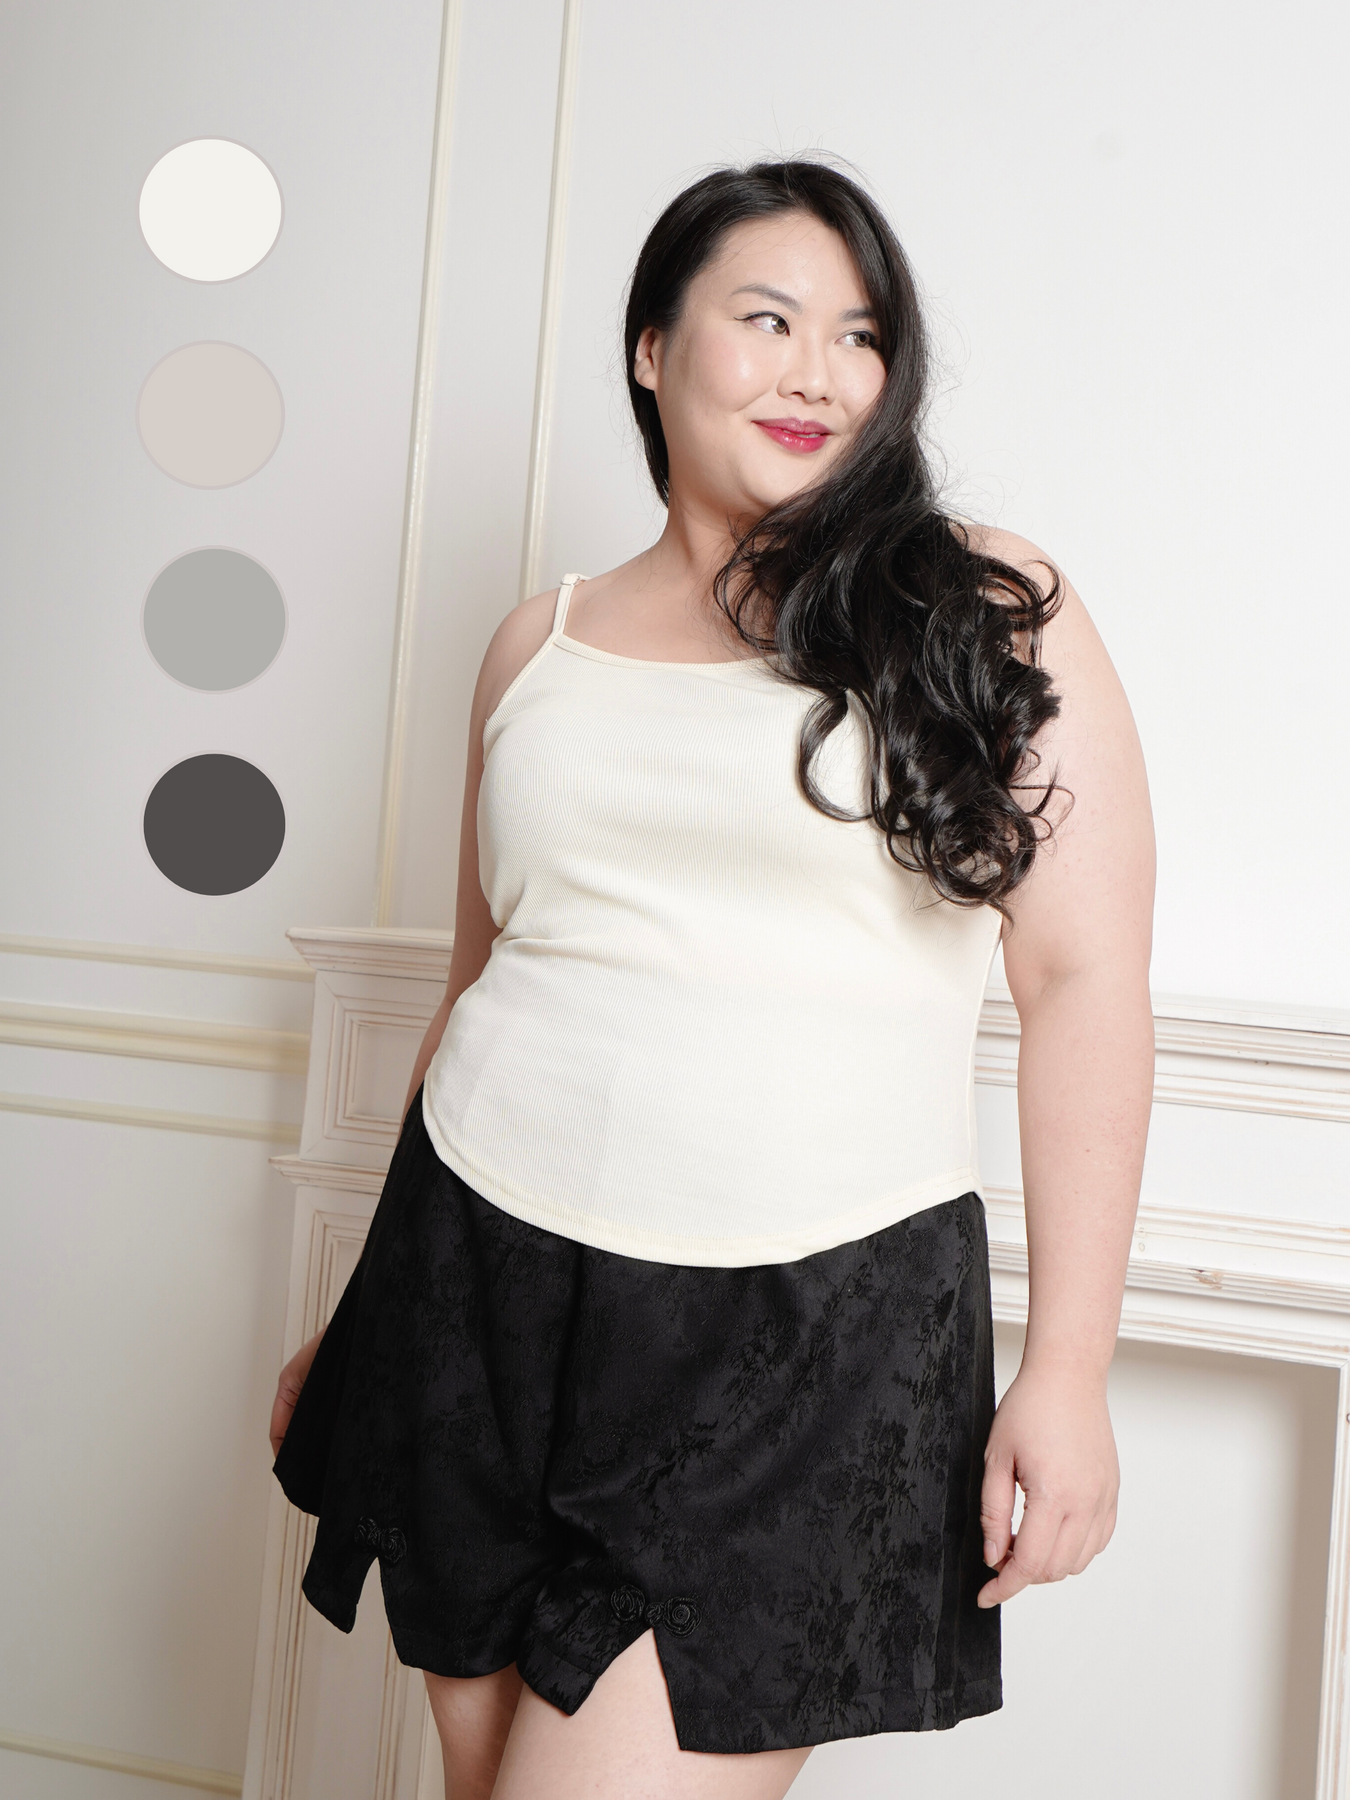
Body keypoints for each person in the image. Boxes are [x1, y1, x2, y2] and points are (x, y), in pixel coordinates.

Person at [269, 157, 1155, 1800]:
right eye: (767, 319)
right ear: (650, 347)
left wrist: (1069, 1368)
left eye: (859, 335)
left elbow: (1086, 982)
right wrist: (362, 1313)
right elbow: (480, 987)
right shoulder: (535, 645)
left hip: (808, 1329)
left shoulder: (972, 612)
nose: (819, 372)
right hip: (476, 1286)